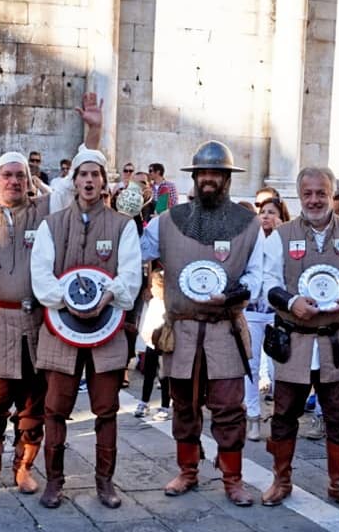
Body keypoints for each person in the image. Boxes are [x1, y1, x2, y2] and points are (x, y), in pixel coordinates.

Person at [141, 142, 265, 505]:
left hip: (225, 326)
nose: (209, 179)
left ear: (227, 179)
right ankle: (188, 470)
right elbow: (136, 254)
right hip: (180, 329)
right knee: (183, 404)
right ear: (195, 177)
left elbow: (257, 276)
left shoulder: (249, 225)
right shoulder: (165, 223)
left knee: (229, 406)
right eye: (203, 173)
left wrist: (231, 294)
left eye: (217, 174)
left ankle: (233, 478)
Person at [261, 166, 339, 510]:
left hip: (337, 339)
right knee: (284, 413)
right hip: (294, 339)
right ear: (299, 196)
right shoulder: (281, 236)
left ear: (333, 195)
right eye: (308, 194)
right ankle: (281, 480)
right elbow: (265, 280)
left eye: (321, 193)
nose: (314, 200)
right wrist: (290, 302)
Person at [31, 145, 140, 509]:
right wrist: (70, 302)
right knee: (55, 408)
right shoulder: (52, 224)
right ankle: (55, 482)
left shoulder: (123, 226)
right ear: (74, 181)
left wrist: (106, 298)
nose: (89, 180)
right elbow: (41, 275)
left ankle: (105, 483)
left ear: (104, 181)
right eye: (83, 174)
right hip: (60, 328)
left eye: (95, 174)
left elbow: (129, 274)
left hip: (106, 329)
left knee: (106, 409)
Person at [0, 152, 51, 494]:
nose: (14, 181)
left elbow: (75, 186)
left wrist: (92, 136)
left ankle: (24, 467)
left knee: (33, 402)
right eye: (7, 175)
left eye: (21, 176)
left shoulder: (44, 213)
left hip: (34, 322)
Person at [244, 195, 287, 441]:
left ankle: (280, 414)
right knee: (250, 363)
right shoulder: (252, 240)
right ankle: (252, 415)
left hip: (277, 311)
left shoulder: (285, 241)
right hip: (252, 309)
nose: (266, 216)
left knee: (277, 365)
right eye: (263, 211)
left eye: (272, 212)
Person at [134, 269, 170, 420]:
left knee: (164, 376)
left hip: (164, 345)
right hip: (151, 344)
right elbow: (147, 321)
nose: (152, 290)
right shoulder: (153, 302)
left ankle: (165, 405)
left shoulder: (169, 304)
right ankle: (144, 401)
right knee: (148, 374)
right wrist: (145, 335)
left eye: (155, 287)